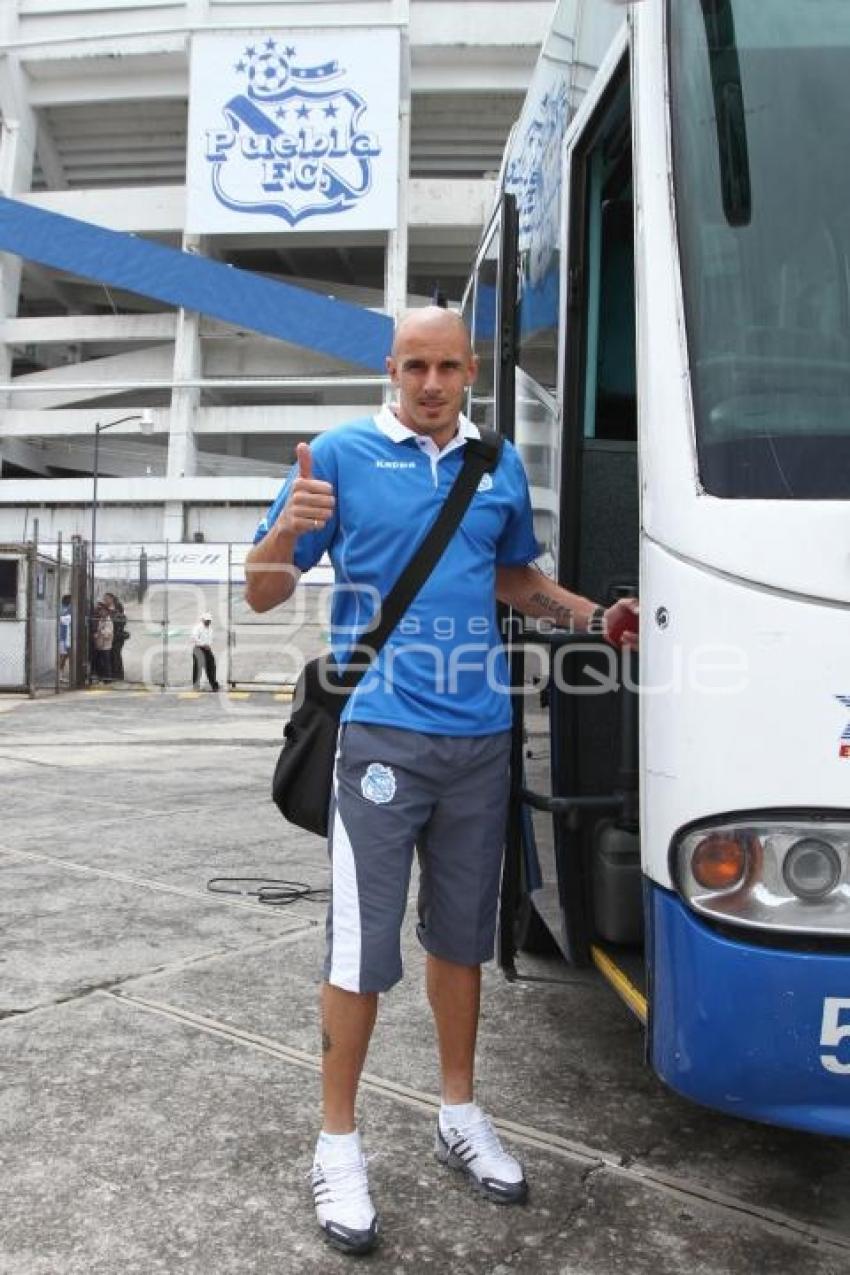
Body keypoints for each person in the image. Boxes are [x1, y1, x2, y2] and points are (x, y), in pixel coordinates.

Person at [245, 306, 638, 1256]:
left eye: (447, 367)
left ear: (472, 371)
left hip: (481, 738)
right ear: (391, 369)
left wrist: (595, 618)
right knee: (360, 952)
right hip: (377, 738)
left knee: (460, 943)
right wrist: (281, 538)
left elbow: (513, 578)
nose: (429, 383)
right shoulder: (336, 456)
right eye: (413, 365)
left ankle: (458, 1111)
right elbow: (262, 588)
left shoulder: (494, 462)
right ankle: (338, 1142)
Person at [103, 592, 128, 681]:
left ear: (111, 599)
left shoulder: (118, 608)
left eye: (106, 598)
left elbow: (122, 620)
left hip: (117, 636)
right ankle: (112, 674)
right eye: (104, 598)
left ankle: (118, 675)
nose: (105, 600)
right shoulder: (104, 608)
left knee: (116, 654)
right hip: (109, 635)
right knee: (110, 655)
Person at [191, 612, 219, 690]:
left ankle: (214, 685)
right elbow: (194, 638)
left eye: (209, 621)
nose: (208, 622)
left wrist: (208, 645)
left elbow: (210, 639)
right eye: (207, 620)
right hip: (198, 649)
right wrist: (203, 644)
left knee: (211, 666)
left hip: (207, 649)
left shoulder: (210, 629)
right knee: (198, 668)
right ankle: (196, 685)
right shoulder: (198, 628)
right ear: (203, 620)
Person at [92, 601, 113, 681]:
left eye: (103, 611)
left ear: (107, 612)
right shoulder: (101, 620)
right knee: (100, 662)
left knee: (106, 662)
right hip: (100, 643)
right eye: (100, 611)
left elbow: (108, 633)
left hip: (106, 645)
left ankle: (107, 679)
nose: (101, 612)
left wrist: (100, 632)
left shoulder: (108, 621)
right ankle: (101, 677)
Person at [58, 594, 72, 679]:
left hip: (64, 636)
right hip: (64, 636)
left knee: (64, 656)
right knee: (64, 656)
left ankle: (62, 674)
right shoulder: (65, 610)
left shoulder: (65, 609)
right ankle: (61, 674)